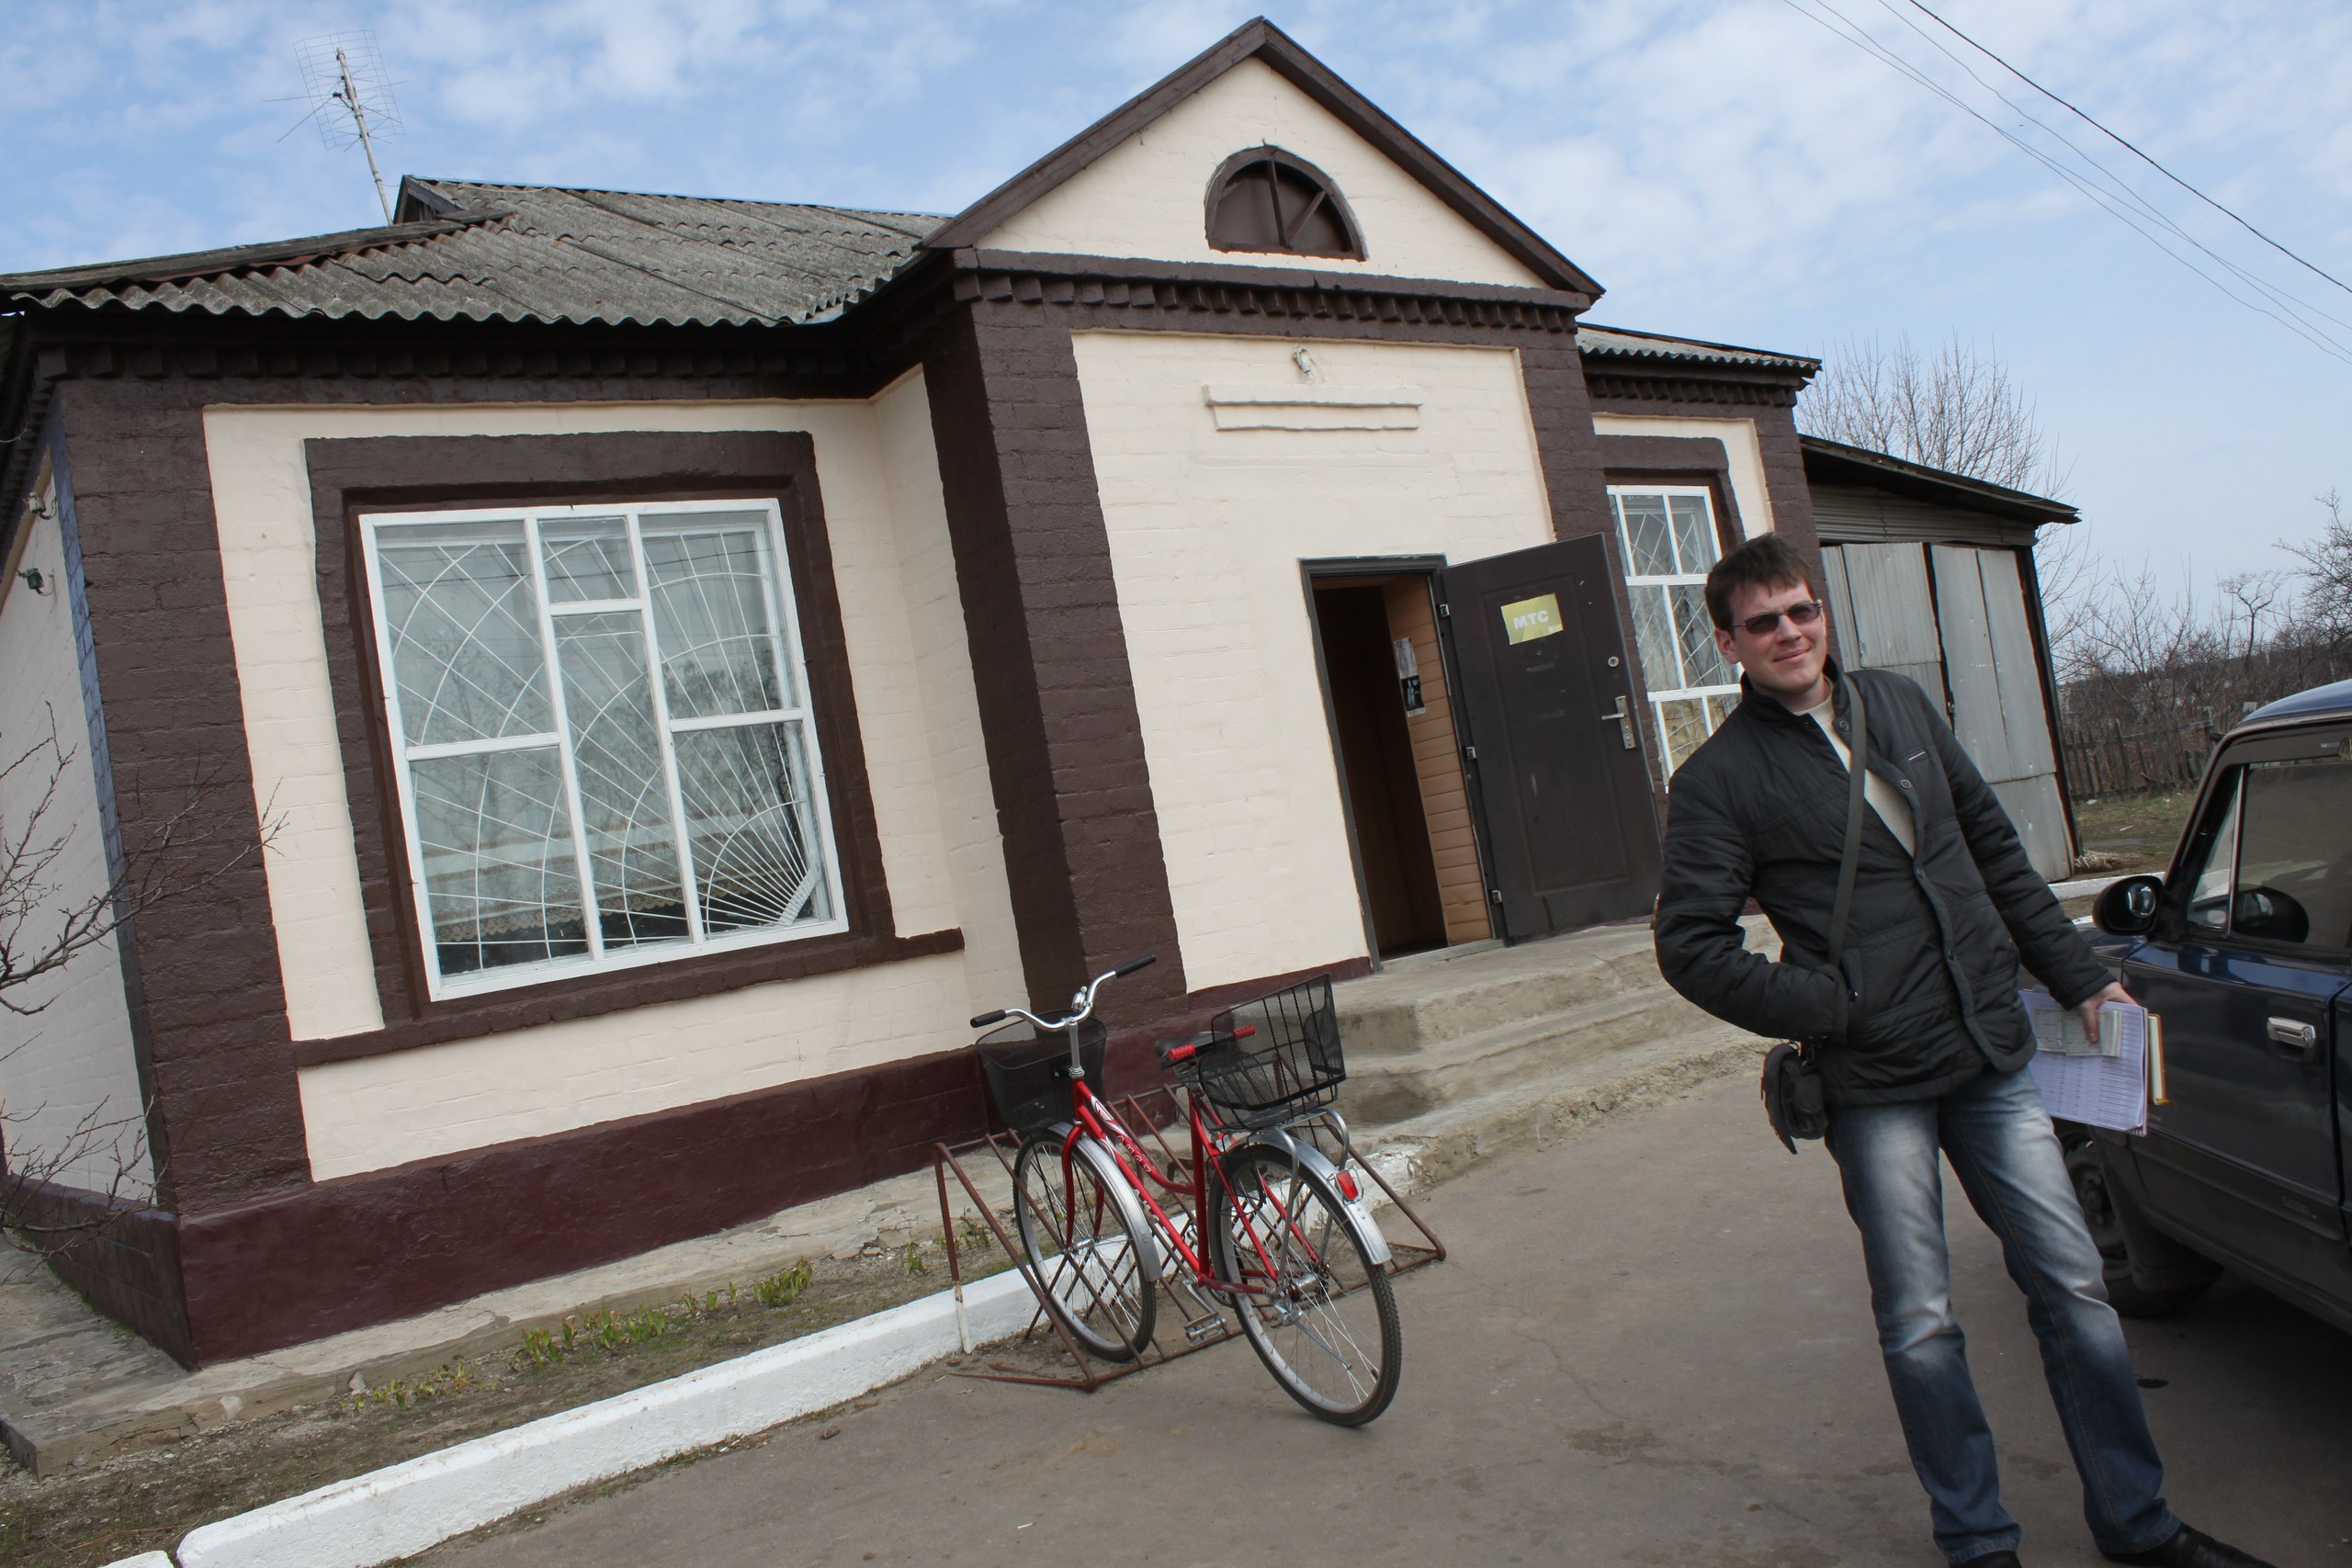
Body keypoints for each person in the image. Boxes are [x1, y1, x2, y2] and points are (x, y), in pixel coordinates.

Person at [1652, 534, 2269, 1568]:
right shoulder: (1717, 779)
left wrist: (2079, 976)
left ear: (1822, 614)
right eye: (1762, 623)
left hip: (1989, 1052)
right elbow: (1690, 946)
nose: (1789, 633)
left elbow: (1992, 848)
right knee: (1922, 1323)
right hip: (1872, 1082)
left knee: (2075, 1288)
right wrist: (1834, 1005)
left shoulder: (1897, 704)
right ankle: (1978, 1541)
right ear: (1729, 643)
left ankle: (2138, 1522)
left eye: (1801, 611)